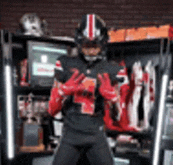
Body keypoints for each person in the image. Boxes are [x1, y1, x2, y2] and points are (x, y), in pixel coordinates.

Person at [48, 13, 136, 165]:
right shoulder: (65, 63)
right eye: (86, 46)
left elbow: (118, 119)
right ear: (78, 43)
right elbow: (52, 111)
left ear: (102, 44)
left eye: (94, 46)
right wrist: (62, 91)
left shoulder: (112, 70)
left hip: (96, 136)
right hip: (71, 135)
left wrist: (113, 99)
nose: (90, 51)